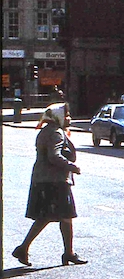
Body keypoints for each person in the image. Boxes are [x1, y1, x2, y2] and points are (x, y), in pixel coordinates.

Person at [11, 103, 87, 267]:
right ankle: (67, 253)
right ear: (57, 117)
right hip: (55, 181)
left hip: (45, 180)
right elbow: (54, 156)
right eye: (66, 115)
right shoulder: (56, 133)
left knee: (49, 216)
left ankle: (65, 252)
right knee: (63, 216)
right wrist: (71, 166)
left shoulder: (47, 131)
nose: (69, 118)